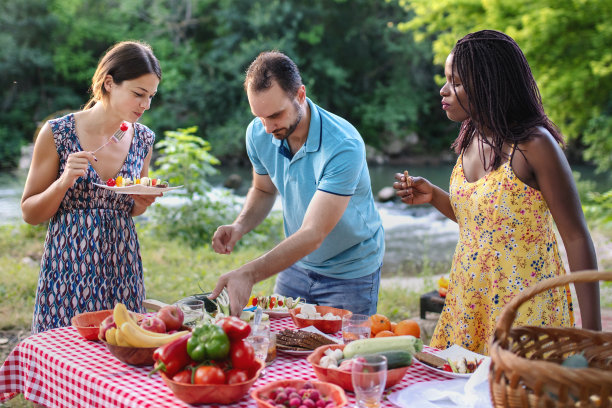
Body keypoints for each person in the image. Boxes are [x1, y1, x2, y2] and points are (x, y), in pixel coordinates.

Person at [393, 30, 601, 354]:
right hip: (469, 301)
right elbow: (484, 225)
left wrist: (593, 338)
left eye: (457, 82)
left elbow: (576, 237)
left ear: (489, 85)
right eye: (447, 79)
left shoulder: (535, 145)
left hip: (524, 309)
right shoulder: (472, 137)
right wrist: (434, 196)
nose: (443, 89)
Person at [210, 51, 384, 316]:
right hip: (295, 264)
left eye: (276, 115)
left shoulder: (343, 145)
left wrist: (249, 274)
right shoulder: (258, 132)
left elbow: (314, 233)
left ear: (300, 96)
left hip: (350, 273)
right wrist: (240, 225)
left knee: (341, 355)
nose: (268, 128)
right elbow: (263, 189)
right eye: (260, 117)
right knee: (280, 347)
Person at [21, 41, 162, 333]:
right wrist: (64, 182)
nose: (145, 105)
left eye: (151, 96)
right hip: (69, 265)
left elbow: (131, 208)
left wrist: (142, 202)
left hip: (122, 264)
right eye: (138, 94)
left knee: (125, 348)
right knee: (63, 352)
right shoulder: (57, 133)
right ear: (109, 82)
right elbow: (30, 213)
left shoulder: (143, 139)